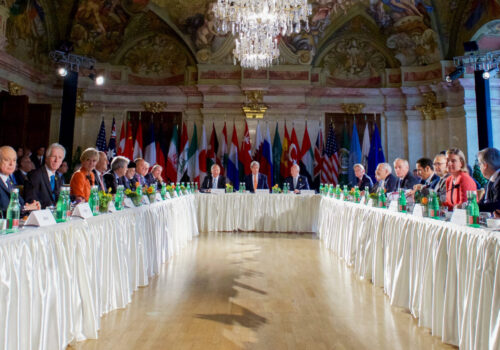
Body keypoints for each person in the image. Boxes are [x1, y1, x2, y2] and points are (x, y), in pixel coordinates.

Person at [24, 143, 65, 209]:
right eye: (54, 156)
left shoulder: (58, 177)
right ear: (46, 158)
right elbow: (32, 201)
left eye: (60, 157)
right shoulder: (35, 175)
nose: (56, 160)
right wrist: (53, 207)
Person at [0, 146, 40, 214]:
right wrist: (25, 208)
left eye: (14, 160)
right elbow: (3, 209)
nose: (11, 164)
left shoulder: (10, 181)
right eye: (7, 160)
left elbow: (21, 204)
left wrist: (32, 206)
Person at [477, 147, 500, 213]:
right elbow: (482, 203)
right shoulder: (492, 181)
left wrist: (473, 207)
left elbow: (497, 205)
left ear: (485, 165)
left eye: (479, 164)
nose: (479, 168)